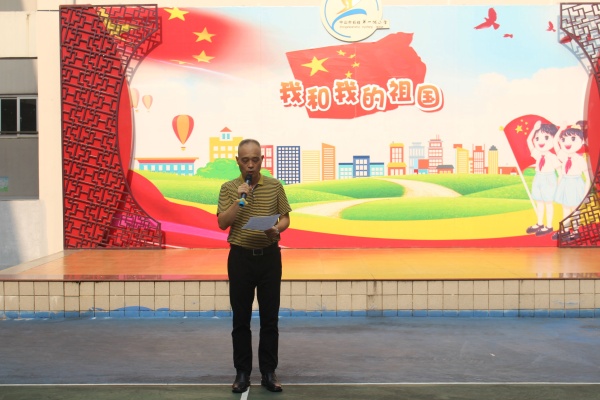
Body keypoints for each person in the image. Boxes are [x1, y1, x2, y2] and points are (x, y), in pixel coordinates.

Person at [217, 138, 292, 393]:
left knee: (270, 319)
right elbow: (222, 223)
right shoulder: (229, 188)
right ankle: (242, 373)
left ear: (262, 160)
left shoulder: (275, 186)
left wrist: (277, 229)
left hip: (269, 258)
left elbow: (285, 218)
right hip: (240, 259)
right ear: (237, 161)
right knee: (241, 319)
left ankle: (269, 373)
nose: (250, 165)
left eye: (255, 159)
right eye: (245, 160)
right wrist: (239, 200)